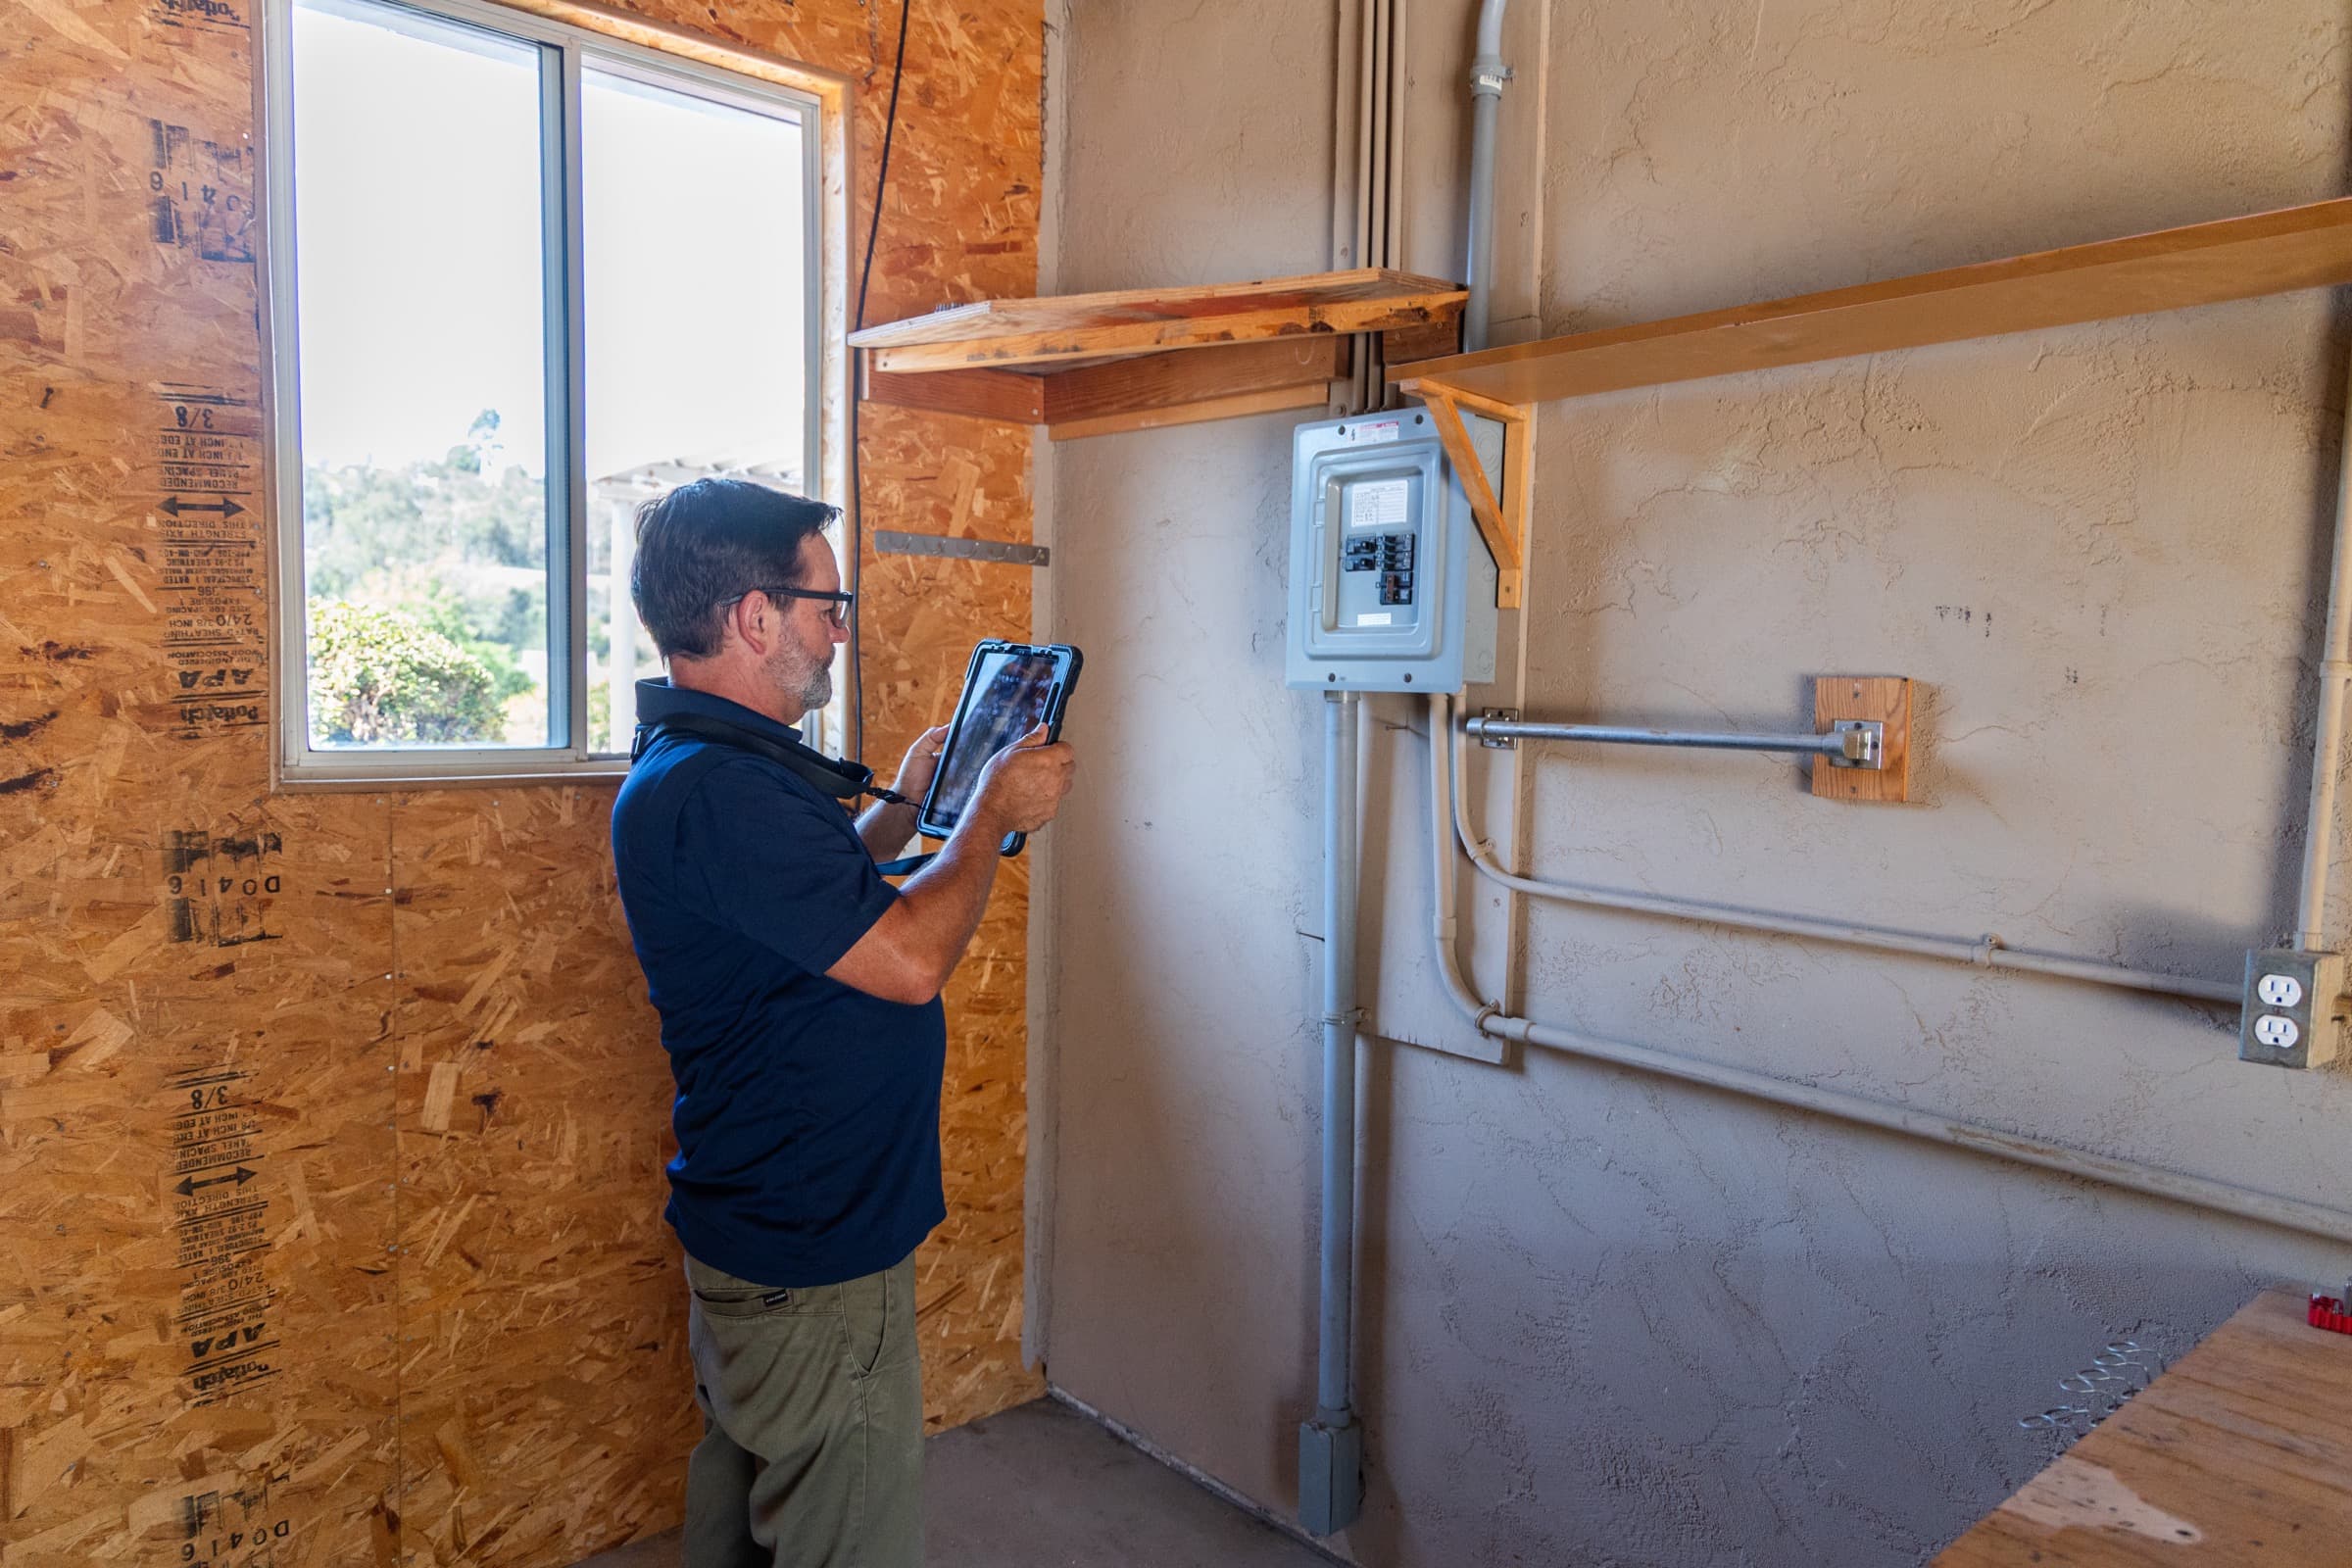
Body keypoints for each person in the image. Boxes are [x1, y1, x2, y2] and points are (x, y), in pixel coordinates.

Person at [608, 477, 1075, 1568]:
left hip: (759, 1223)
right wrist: (990, 818)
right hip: (813, 1248)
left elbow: (803, 903)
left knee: (747, 1493)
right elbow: (909, 960)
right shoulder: (723, 789)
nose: (838, 628)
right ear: (751, 617)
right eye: (826, 603)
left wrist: (906, 809)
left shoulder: (704, 769)